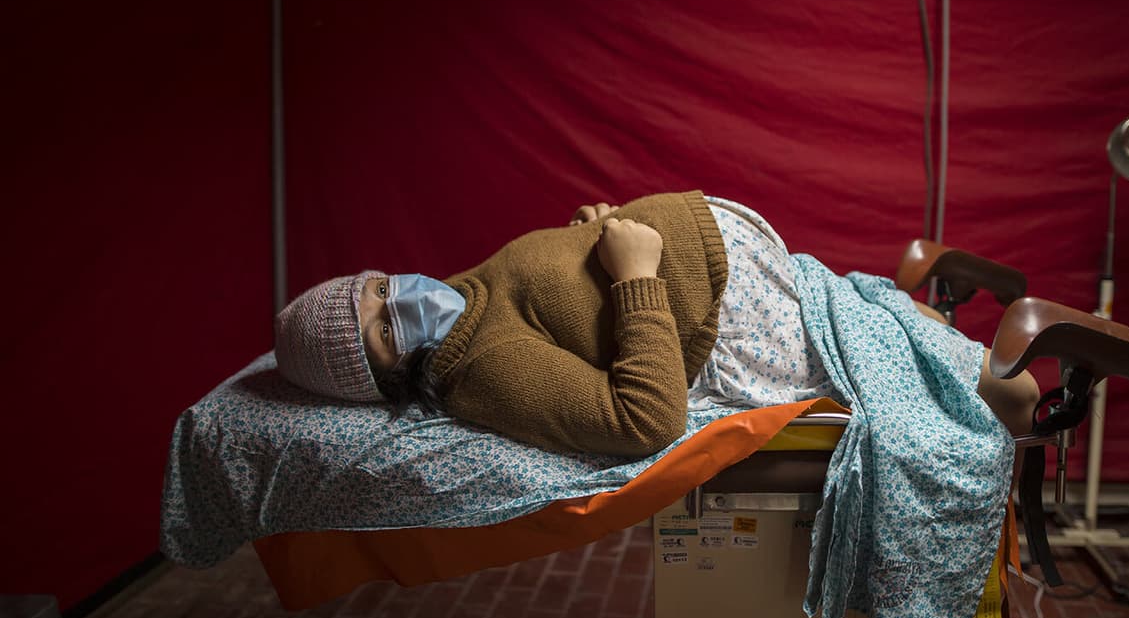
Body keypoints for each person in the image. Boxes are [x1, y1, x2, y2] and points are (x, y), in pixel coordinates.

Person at [274, 190, 1036, 460]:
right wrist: (636, 278)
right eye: (380, 329)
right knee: (1002, 387)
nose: (394, 301)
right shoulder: (482, 370)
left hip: (754, 275)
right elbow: (644, 415)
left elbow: (564, 306)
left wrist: (590, 234)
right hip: (743, 323)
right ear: (388, 374)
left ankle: (1018, 405)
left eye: (375, 289)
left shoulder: (467, 296)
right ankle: (1024, 415)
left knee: (934, 346)